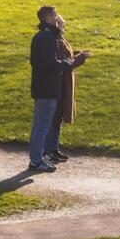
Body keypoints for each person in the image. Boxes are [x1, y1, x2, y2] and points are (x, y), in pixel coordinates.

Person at [29, 6, 89, 172]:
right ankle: (36, 160)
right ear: (48, 17)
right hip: (47, 88)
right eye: (54, 14)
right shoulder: (47, 38)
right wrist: (74, 61)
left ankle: (36, 158)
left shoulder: (42, 37)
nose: (57, 17)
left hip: (43, 87)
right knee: (42, 126)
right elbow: (52, 64)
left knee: (40, 125)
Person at [46, 14, 83, 165]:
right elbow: (63, 62)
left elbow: (67, 57)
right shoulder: (56, 41)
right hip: (60, 85)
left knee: (58, 118)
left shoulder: (59, 40)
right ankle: (49, 150)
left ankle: (53, 148)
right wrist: (78, 59)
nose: (63, 26)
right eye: (61, 24)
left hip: (64, 84)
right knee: (54, 119)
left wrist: (78, 55)